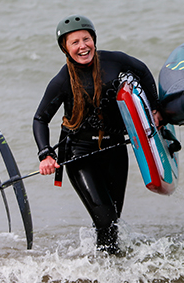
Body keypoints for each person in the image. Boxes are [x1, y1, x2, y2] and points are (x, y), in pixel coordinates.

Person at [33, 14, 162, 254]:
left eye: (86, 39)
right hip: (80, 154)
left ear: (94, 40)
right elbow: (40, 118)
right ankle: (104, 268)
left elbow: (143, 72)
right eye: (75, 42)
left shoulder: (115, 61)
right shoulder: (62, 80)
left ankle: (103, 269)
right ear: (65, 48)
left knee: (112, 221)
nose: (83, 46)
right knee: (106, 218)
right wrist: (45, 155)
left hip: (115, 150)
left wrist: (154, 108)